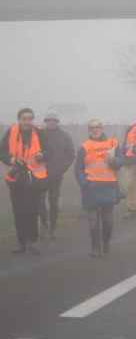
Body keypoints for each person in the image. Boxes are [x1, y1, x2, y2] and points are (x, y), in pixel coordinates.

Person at [0, 109, 48, 254]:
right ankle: (21, 243)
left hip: (34, 178)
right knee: (19, 212)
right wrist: (11, 159)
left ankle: (32, 242)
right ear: (19, 119)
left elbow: (50, 151)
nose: (27, 121)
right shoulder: (10, 132)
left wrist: (42, 155)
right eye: (24, 118)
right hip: (16, 178)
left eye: (30, 119)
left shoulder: (39, 133)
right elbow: (1, 151)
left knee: (33, 211)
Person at [76, 120, 120, 257]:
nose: (95, 130)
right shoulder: (84, 146)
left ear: (102, 129)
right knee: (93, 222)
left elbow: (122, 160)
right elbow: (78, 169)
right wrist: (84, 183)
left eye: (98, 127)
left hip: (109, 186)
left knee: (108, 222)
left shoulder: (113, 143)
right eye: (92, 128)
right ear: (89, 130)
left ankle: (106, 242)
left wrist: (115, 161)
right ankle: (95, 248)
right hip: (91, 188)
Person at [39, 112, 74, 240]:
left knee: (53, 202)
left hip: (56, 175)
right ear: (46, 121)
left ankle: (52, 228)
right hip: (40, 174)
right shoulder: (39, 134)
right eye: (48, 120)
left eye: (53, 120)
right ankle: (44, 224)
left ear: (57, 122)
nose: (51, 122)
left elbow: (71, 154)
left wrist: (62, 168)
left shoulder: (64, 136)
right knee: (40, 201)